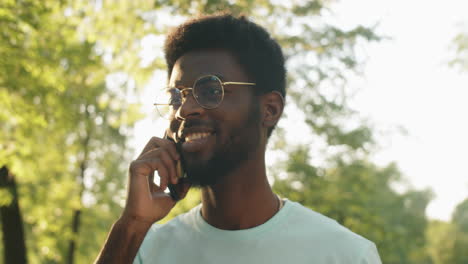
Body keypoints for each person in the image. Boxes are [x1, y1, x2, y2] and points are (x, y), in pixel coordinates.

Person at [95, 13, 382, 264]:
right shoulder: (141, 249)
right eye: (176, 96)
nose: (184, 109)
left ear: (269, 110)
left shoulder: (345, 255)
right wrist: (131, 225)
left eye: (210, 90)